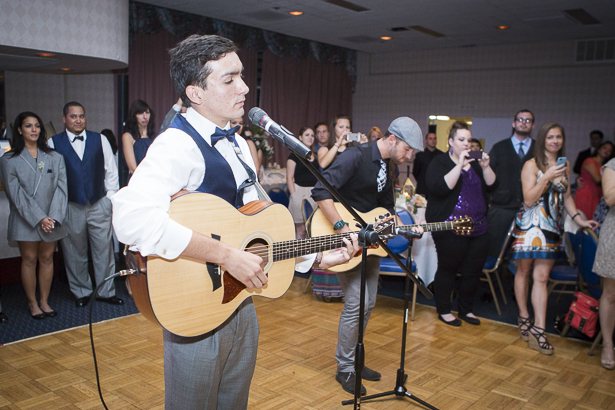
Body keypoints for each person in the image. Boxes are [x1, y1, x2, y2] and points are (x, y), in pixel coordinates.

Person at [111, 34, 360, 409]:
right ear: (195, 93)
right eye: (229, 80)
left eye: (242, 76)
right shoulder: (175, 144)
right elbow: (129, 218)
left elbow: (259, 224)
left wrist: (316, 258)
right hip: (194, 309)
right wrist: (226, 256)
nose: (244, 87)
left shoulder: (240, 144)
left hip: (242, 303)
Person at [312, 116, 424, 396]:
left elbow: (385, 207)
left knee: (368, 302)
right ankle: (345, 369)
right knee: (355, 302)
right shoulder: (356, 156)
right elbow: (320, 191)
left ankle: (355, 362)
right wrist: (341, 228)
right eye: (407, 150)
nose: (409, 156)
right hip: (346, 240)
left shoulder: (389, 167)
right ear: (392, 139)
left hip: (369, 243)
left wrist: (403, 226)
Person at [510, 122, 597, 355]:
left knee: (542, 277)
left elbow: (567, 196)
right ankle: (524, 315)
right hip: (529, 226)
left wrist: (579, 219)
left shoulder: (565, 164)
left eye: (558, 137)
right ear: (542, 140)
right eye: (550, 137)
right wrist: (546, 176)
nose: (555, 141)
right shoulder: (531, 165)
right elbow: (528, 199)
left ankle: (539, 329)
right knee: (524, 272)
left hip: (551, 227)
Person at [49, 102, 122, 308]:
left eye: (81, 116)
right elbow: (52, 179)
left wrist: (110, 199)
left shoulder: (100, 139)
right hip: (71, 205)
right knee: (74, 252)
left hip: (99, 202)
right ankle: (81, 291)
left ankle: (106, 292)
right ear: (64, 119)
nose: (78, 120)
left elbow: (111, 171)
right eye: (73, 116)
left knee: (104, 251)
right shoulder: (53, 142)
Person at [426, 121, 496, 327]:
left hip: (478, 228)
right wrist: (459, 164)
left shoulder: (475, 164)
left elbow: (493, 186)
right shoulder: (439, 162)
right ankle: (445, 310)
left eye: (468, 140)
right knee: (448, 269)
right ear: (451, 142)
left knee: (473, 271)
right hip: (449, 228)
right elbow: (440, 188)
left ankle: (466, 310)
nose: (466, 144)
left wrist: (486, 167)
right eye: (461, 139)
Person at [0, 111, 68, 319]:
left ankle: (44, 301)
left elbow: (62, 189)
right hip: (26, 218)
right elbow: (16, 194)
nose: (34, 130)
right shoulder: (9, 159)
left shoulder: (55, 157)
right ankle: (32, 304)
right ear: (19, 130)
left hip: (51, 218)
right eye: (29, 126)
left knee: (47, 258)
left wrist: (53, 218)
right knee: (29, 259)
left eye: (37, 126)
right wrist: (40, 218)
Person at [486, 109, 536, 258]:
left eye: (528, 120)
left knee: (524, 253)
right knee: (495, 250)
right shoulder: (499, 147)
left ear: (533, 125)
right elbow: (487, 176)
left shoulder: (538, 149)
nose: (524, 123)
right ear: (514, 123)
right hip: (501, 208)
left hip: (530, 210)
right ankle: (496, 280)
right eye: (520, 119)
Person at [592, 157, 615, 370]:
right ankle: (608, 345)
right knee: (610, 294)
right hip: (614, 235)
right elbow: (609, 198)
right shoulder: (612, 165)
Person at [286, 126, 318, 239]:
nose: (310, 137)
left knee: (311, 229)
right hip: (299, 191)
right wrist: (294, 195)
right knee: (301, 229)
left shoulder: (316, 156)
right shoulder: (294, 155)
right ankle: (298, 255)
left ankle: (310, 256)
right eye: (307, 135)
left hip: (313, 193)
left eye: (312, 135)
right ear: (300, 137)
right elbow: (289, 177)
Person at [575, 141, 614, 218]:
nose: (606, 151)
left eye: (609, 150)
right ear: (598, 149)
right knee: (583, 220)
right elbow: (597, 179)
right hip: (587, 195)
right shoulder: (590, 161)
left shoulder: (605, 166)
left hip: (598, 196)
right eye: (604, 148)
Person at [122, 100, 156, 176]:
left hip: (156, 179)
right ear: (134, 116)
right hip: (137, 180)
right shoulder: (128, 136)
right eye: (141, 113)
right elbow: (133, 169)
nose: (145, 116)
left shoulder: (156, 137)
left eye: (147, 113)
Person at [412, 131, 444, 198]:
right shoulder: (419, 156)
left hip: (437, 189)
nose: (433, 140)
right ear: (426, 141)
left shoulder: (442, 156)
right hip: (422, 189)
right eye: (430, 138)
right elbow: (415, 172)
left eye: (434, 138)